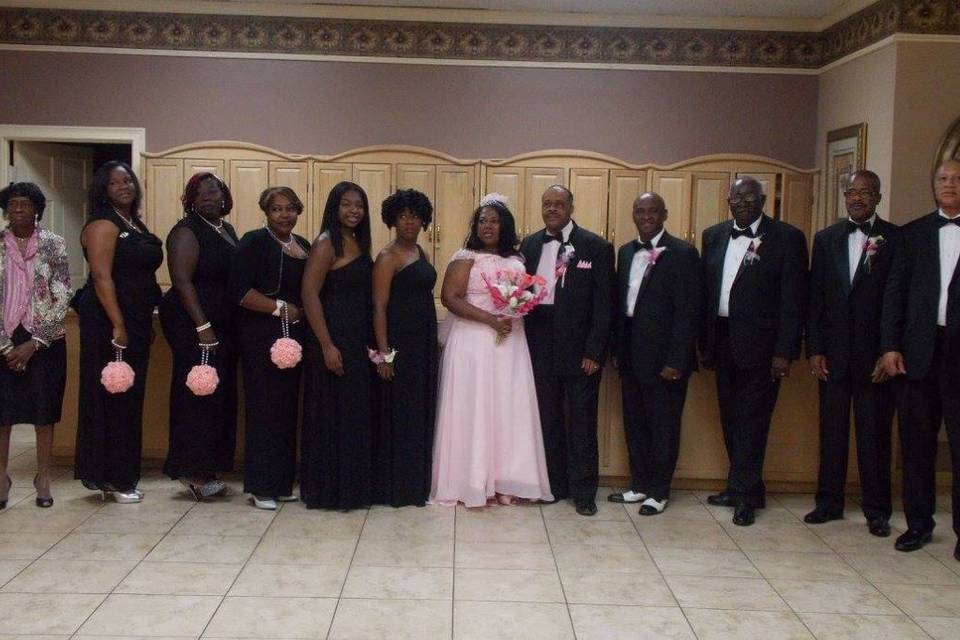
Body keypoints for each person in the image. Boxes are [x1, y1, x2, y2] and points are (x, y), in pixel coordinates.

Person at [430, 194, 552, 507]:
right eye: (482, 221)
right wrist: (491, 320)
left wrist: (517, 309)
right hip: (473, 341)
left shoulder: (517, 259)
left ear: (504, 226)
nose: (487, 226)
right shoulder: (465, 255)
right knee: (475, 407)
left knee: (506, 408)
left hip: (510, 344)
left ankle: (505, 480)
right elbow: (450, 297)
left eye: (494, 221)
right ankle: (470, 480)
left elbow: (522, 297)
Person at [700, 177, 808, 526]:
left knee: (754, 421)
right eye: (737, 197)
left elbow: (794, 301)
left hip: (763, 348)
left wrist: (784, 352)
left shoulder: (788, 239)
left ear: (763, 200)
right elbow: (708, 289)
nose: (744, 202)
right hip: (722, 340)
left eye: (751, 196)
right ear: (728, 200)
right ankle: (743, 486)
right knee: (731, 418)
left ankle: (745, 495)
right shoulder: (713, 236)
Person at [804, 170, 899, 537]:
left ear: (877, 196)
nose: (857, 198)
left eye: (865, 192)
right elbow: (816, 300)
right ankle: (828, 502)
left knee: (874, 436)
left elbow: (895, 299)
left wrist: (888, 350)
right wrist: (814, 350)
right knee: (832, 432)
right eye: (851, 192)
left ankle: (877, 510)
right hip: (833, 355)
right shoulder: (826, 239)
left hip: (875, 357)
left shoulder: (894, 238)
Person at [881, 159, 960, 558]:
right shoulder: (911, 235)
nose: (949, 185)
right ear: (933, 185)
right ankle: (918, 524)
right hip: (917, 356)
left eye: (957, 179)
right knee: (916, 446)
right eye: (943, 179)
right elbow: (894, 294)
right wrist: (890, 346)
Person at [520, 185, 614, 516]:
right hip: (539, 343)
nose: (553, 209)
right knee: (548, 419)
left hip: (580, 349)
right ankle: (554, 485)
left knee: (582, 422)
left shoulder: (596, 247)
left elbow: (605, 307)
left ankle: (584, 491)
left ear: (571, 207)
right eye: (547, 204)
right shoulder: (529, 244)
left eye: (559, 204)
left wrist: (594, 352)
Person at [74, 161, 163, 503]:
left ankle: (122, 474)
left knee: (129, 400)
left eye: (128, 180)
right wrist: (119, 323)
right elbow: (101, 277)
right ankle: (111, 477)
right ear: (103, 189)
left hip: (136, 320)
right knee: (111, 399)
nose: (124, 186)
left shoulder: (132, 222)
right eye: (115, 183)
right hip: (109, 322)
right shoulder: (102, 223)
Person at [609, 192, 701, 515]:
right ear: (633, 215)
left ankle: (659, 491)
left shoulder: (683, 253)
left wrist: (677, 359)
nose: (646, 216)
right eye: (640, 211)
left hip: (665, 360)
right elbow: (622, 306)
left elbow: (688, 313)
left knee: (664, 425)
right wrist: (618, 351)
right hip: (631, 355)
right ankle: (639, 484)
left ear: (664, 214)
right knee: (635, 423)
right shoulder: (625, 251)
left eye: (652, 211)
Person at [159, 172, 239, 501]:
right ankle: (191, 470)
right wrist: (202, 325)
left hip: (221, 320)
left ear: (224, 197)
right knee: (197, 395)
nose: (209, 197)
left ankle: (209, 468)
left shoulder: (227, 229)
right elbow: (181, 281)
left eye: (214, 191)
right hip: (194, 321)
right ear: (190, 199)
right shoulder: (186, 231)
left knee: (217, 396)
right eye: (201, 193)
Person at [229, 186, 309, 510]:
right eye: (277, 209)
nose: (284, 215)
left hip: (295, 338)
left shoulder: (302, 245)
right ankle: (262, 486)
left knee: (287, 410)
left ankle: (282, 482)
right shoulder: (252, 242)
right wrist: (277, 308)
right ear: (266, 211)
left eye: (290, 208)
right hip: (261, 335)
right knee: (263, 410)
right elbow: (238, 290)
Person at [300, 181, 375, 510]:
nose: (353, 210)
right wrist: (327, 345)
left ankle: (353, 489)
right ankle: (329, 491)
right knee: (332, 415)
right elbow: (309, 295)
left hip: (357, 340)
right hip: (332, 339)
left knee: (353, 416)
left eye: (358, 205)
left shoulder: (357, 242)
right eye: (346, 204)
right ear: (334, 207)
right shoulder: (326, 243)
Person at [0, 183, 70, 509]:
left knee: (44, 412)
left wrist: (35, 342)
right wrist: (5, 346)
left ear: (36, 209)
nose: (17, 210)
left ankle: (43, 476)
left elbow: (62, 294)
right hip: (4, 339)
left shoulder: (54, 244)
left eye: (24, 204)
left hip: (45, 340)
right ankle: (1, 477)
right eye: (12, 205)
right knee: (3, 415)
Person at [371, 189, 437, 507]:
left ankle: (416, 485)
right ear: (393, 220)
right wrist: (385, 354)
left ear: (424, 219)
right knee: (401, 413)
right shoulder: (388, 256)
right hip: (399, 345)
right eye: (403, 215)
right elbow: (379, 307)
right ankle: (395, 487)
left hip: (422, 342)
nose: (409, 221)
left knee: (418, 412)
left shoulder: (420, 253)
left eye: (415, 215)